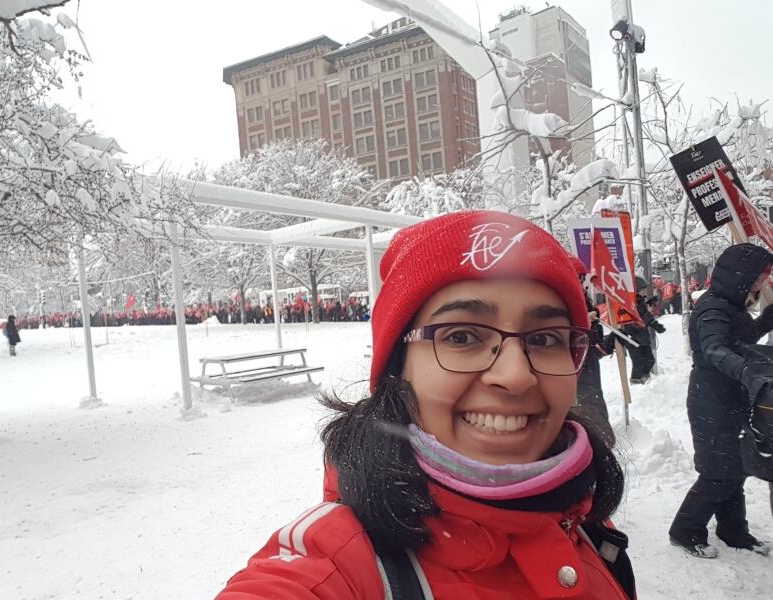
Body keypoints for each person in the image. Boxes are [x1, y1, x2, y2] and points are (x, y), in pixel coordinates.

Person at [216, 211, 634, 599]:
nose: (515, 376)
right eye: (462, 337)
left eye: (545, 339)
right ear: (399, 367)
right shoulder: (342, 564)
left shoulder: (584, 523)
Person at [669, 243, 773, 559]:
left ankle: (733, 531)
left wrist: (767, 319)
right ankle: (685, 531)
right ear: (740, 276)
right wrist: (748, 372)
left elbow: (740, 340)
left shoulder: (731, 307)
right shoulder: (712, 308)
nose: (761, 284)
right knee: (718, 471)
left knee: (736, 465)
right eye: (759, 277)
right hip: (710, 400)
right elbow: (715, 350)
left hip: (730, 398)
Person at [569, 255, 617, 447]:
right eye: (580, 278)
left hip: (588, 357)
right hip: (574, 361)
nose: (583, 283)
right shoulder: (566, 298)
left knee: (593, 397)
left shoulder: (584, 297)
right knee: (584, 400)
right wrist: (583, 322)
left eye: (583, 279)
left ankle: (601, 439)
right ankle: (594, 440)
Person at [618, 278, 665, 384]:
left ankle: (644, 381)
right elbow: (640, 318)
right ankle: (637, 383)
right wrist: (652, 319)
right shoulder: (630, 303)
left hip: (641, 337)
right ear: (637, 290)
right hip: (633, 337)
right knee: (638, 362)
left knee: (649, 360)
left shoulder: (640, 301)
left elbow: (643, 314)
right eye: (643, 289)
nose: (645, 291)